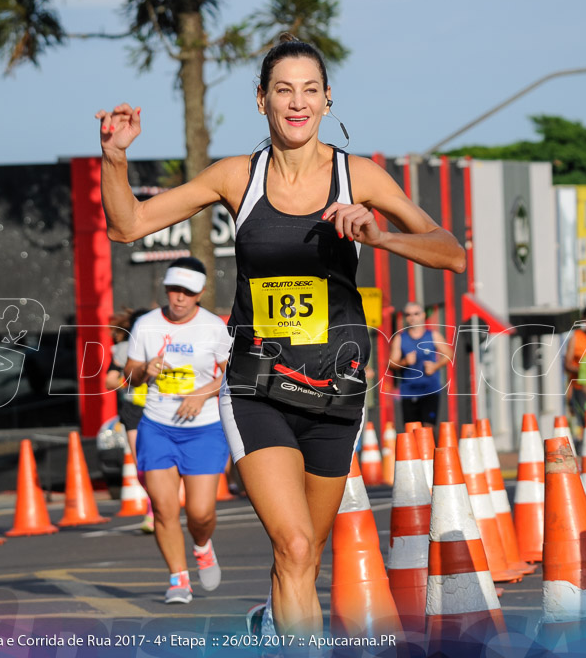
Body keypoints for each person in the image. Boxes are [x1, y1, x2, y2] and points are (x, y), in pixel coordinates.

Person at [95, 35, 465, 637]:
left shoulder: (359, 175)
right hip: (257, 387)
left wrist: (380, 236)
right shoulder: (236, 177)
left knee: (304, 558)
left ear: (326, 100)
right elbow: (127, 225)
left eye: (310, 91)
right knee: (293, 546)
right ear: (261, 99)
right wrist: (114, 159)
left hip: (336, 393)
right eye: (283, 91)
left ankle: (275, 630)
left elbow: (451, 254)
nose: (297, 103)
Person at [123, 257, 231, 604]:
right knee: (164, 508)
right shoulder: (146, 325)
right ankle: (178, 580)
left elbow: (234, 375)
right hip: (157, 426)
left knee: (200, 512)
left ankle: (202, 547)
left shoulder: (214, 327)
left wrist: (202, 394)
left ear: (199, 294)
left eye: (188, 292)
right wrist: (145, 370)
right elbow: (130, 374)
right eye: (174, 290)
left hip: (204, 429)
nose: (180, 298)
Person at [105, 306, 152, 532]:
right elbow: (109, 381)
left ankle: (160, 507)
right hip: (135, 409)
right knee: (141, 464)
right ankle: (153, 511)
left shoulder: (167, 344)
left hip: (164, 410)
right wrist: (133, 381)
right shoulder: (123, 350)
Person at [388, 302, 453, 427]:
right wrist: (405, 362)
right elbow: (391, 364)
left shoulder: (433, 335)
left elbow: (449, 354)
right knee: (412, 431)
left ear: (423, 315)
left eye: (416, 314)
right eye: (409, 314)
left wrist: (436, 366)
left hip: (430, 390)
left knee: (428, 429)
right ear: (405, 318)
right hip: (409, 391)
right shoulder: (400, 338)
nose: (413, 317)